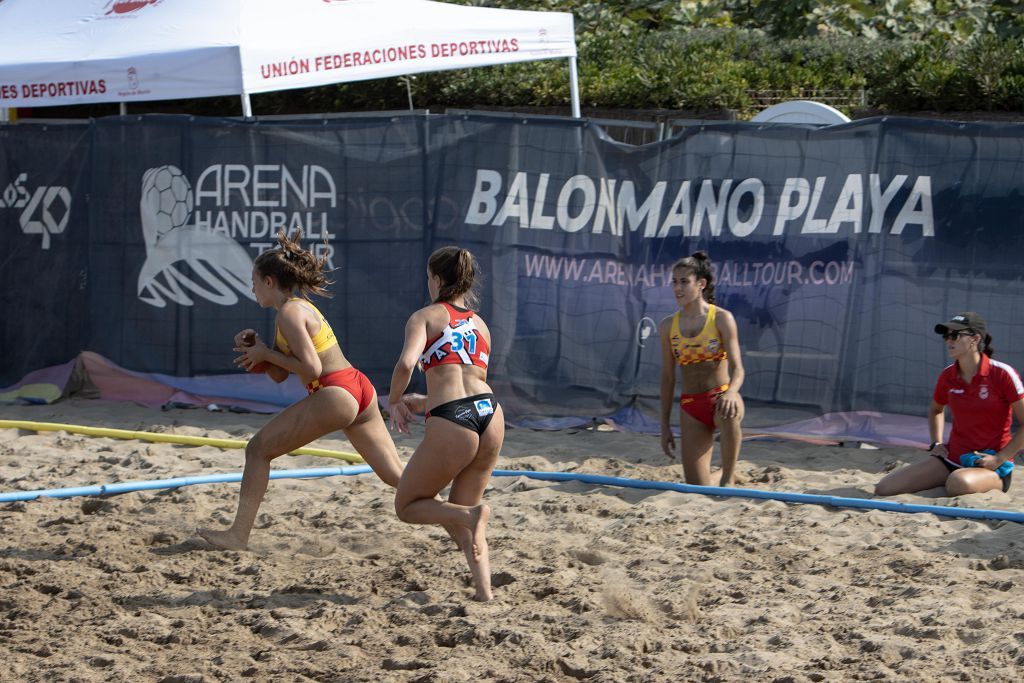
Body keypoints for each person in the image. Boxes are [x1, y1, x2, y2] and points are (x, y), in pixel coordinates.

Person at [197, 230, 403, 550]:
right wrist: (260, 354)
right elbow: (282, 375)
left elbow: (311, 369)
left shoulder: (290, 313)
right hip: (357, 387)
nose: (251, 288)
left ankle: (237, 535)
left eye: (254, 281)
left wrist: (267, 355)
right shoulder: (297, 309)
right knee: (396, 476)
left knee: (257, 450)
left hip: (334, 391)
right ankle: (457, 514)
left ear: (269, 281)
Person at [388, 246, 504, 602]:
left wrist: (394, 400)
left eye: (429, 277)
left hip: (455, 421)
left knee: (407, 505)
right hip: (491, 415)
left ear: (437, 279)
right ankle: (484, 591)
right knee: (461, 516)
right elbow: (470, 379)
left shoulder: (424, 317)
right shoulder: (481, 326)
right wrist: (424, 402)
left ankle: (472, 515)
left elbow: (408, 364)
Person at [875, 312, 1024, 497]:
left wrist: (999, 458)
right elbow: (936, 409)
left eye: (955, 335)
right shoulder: (948, 376)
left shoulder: (1002, 374)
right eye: (946, 336)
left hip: (990, 463)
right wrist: (936, 442)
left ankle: (992, 482)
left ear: (975, 338)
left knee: (957, 483)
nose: (948, 341)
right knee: (884, 488)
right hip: (953, 458)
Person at [659, 251, 745, 486]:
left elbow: (739, 370)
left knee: (729, 410)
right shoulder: (668, 326)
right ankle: (725, 474)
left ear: (701, 284)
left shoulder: (721, 318)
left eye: (684, 282)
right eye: (674, 282)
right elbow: (668, 378)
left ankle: (728, 479)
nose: (678, 288)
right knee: (697, 486)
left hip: (720, 398)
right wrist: (664, 426)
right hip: (691, 406)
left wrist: (731, 392)